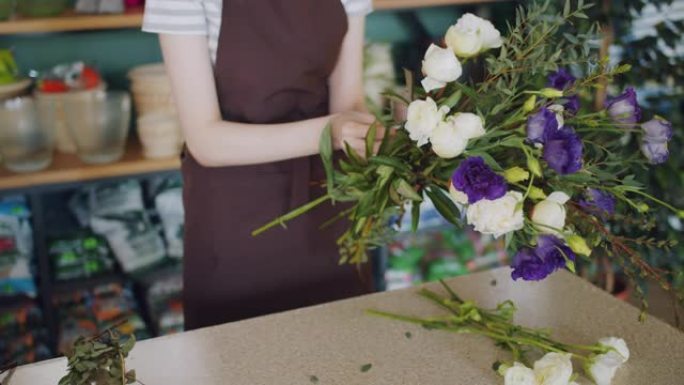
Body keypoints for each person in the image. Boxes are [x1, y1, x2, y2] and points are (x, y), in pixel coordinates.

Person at [142, 0, 381, 330]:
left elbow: (349, 100)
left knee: (342, 347)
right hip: (236, 212)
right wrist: (332, 132)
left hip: (330, 199)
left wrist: (381, 142)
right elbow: (204, 140)